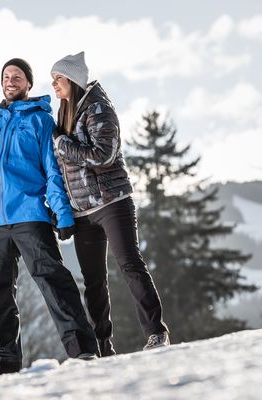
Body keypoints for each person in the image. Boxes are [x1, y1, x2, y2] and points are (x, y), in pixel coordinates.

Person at [0, 57, 99, 375]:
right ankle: (4, 364)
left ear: (28, 84)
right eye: (6, 76)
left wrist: (62, 214)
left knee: (52, 280)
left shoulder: (40, 122)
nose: (11, 80)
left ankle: (83, 348)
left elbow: (53, 171)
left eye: (17, 76)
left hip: (30, 215)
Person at [49, 51, 170, 356]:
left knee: (130, 265)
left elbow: (104, 155)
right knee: (93, 281)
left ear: (72, 80)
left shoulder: (98, 108)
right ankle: (103, 345)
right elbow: (65, 169)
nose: (54, 85)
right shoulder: (64, 113)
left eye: (58, 79)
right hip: (83, 212)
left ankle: (156, 332)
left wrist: (64, 145)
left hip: (112, 202)